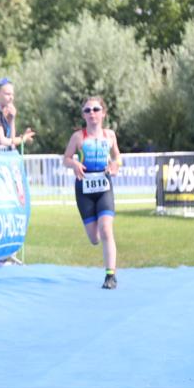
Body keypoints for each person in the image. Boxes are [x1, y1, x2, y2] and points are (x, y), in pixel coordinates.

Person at [62, 97, 122, 290]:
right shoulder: (78, 137)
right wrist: (75, 163)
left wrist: (115, 164)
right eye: (87, 110)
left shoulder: (110, 135)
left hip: (104, 187)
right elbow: (66, 158)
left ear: (103, 113)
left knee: (106, 229)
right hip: (84, 189)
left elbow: (117, 156)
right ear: (83, 115)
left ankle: (110, 276)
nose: (92, 113)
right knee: (95, 238)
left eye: (96, 109)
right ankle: (107, 267)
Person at [0, 78, 34, 148]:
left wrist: (12, 119)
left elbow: (11, 142)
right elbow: (1, 140)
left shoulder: (0, 112)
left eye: (12, 95)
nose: (11, 97)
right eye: (7, 94)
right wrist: (23, 139)